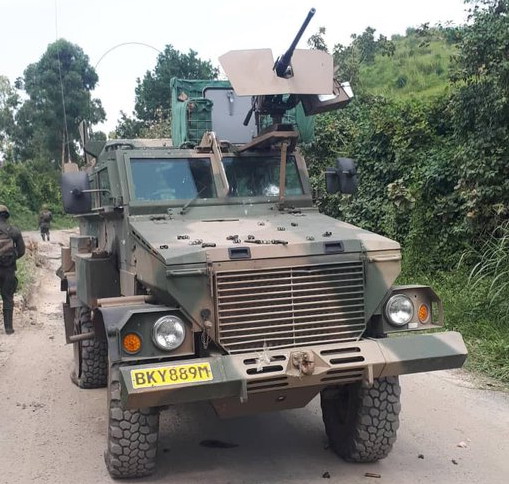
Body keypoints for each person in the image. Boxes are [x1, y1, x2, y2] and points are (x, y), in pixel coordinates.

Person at [0, 205, 25, 334]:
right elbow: (21, 251)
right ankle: (8, 328)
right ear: (7, 215)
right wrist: (11, 259)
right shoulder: (14, 231)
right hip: (8, 269)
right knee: (8, 297)